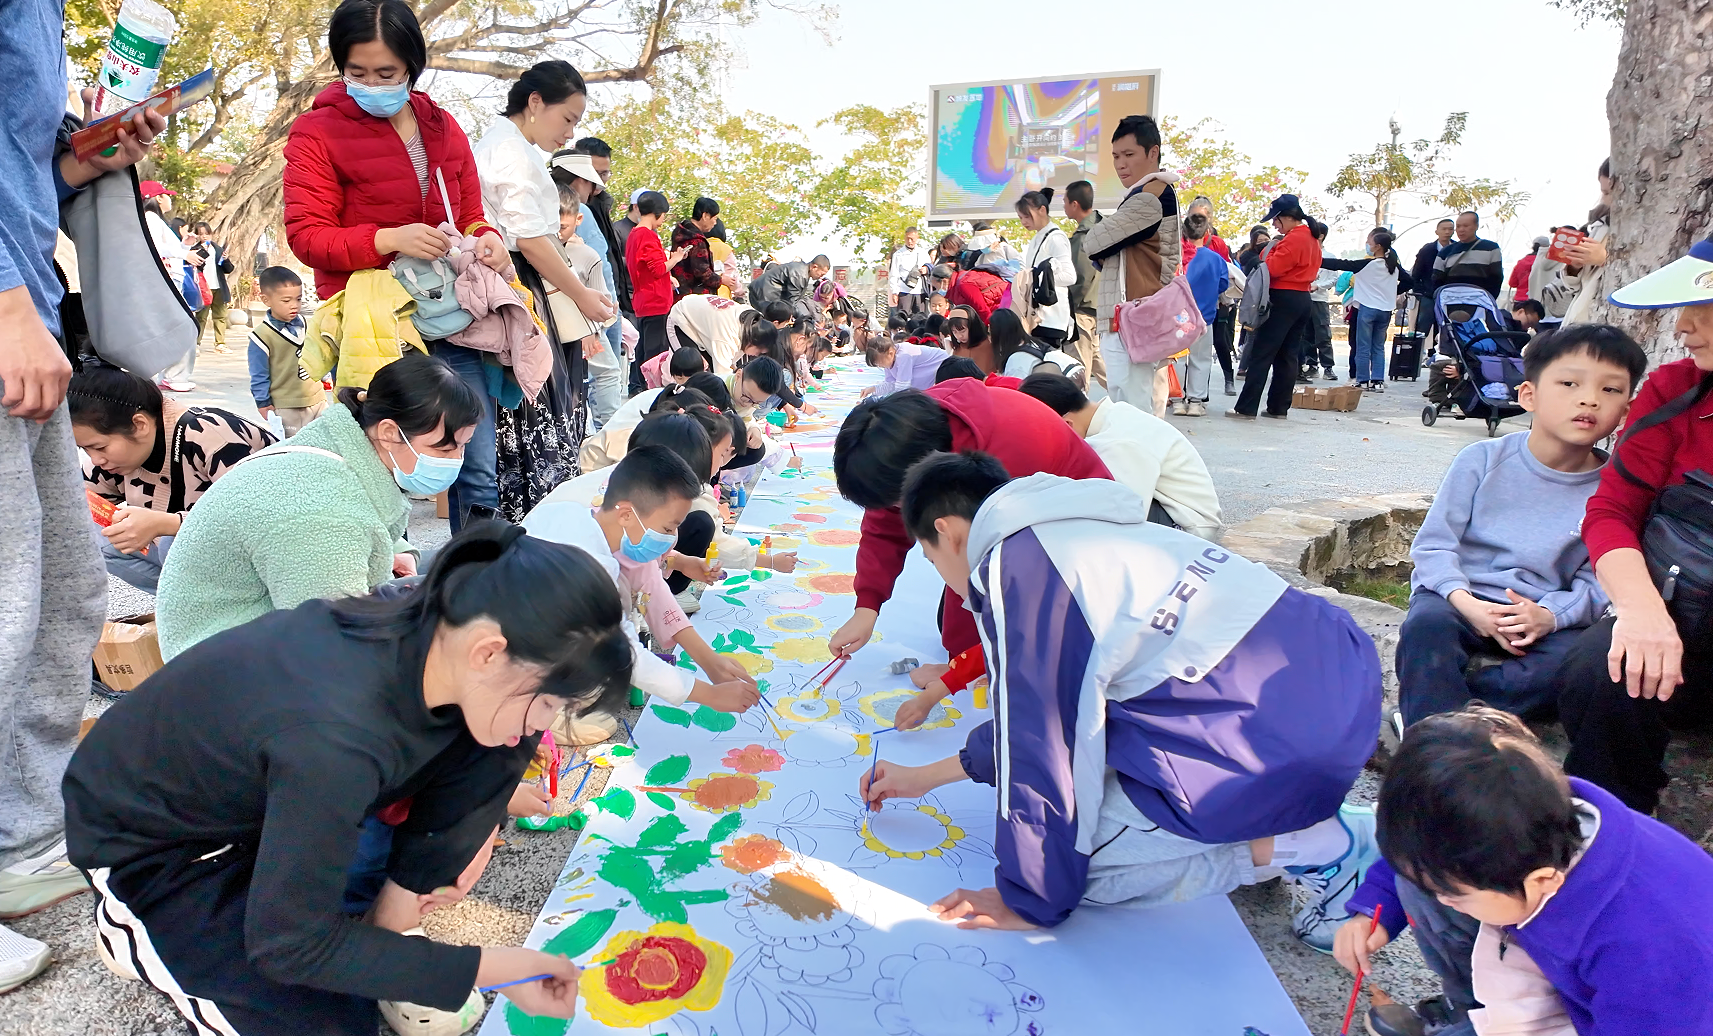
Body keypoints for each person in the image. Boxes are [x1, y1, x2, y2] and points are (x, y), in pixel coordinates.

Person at [66, 523, 631, 1033]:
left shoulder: (454, 623)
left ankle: (371, 931)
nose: (541, 726)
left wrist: (404, 908)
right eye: (549, 702)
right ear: (490, 653)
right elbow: (288, 945)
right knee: (323, 1020)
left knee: (490, 740)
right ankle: (133, 924)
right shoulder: (335, 738)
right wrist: (493, 967)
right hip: (164, 844)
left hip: (268, 795)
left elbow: (487, 767)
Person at [864, 453, 1381, 947]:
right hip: (1335, 685)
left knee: (1079, 869)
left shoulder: (1018, 569)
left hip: (1275, 745)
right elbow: (1058, 720)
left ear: (948, 532)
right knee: (1091, 768)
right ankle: (1287, 818)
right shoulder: (1072, 524)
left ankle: (1323, 844)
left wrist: (1029, 899)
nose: (951, 590)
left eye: (931, 560)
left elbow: (1041, 747)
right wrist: (922, 778)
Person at [1, 11, 164, 987]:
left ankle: (25, 830)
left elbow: (20, 171)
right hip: (11, 314)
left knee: (62, 597)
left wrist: (87, 163)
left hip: (32, 309)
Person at [1333, 706, 1713, 1036]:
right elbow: (1421, 848)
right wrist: (1373, 909)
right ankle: (1470, 1006)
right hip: (1562, 957)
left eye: (1454, 895)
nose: (1442, 901)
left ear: (1542, 881)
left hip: (1632, 1015)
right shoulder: (1522, 817)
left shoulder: (1648, 959)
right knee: (1427, 882)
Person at [283, 0, 510, 532]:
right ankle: (383, 585)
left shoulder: (442, 126)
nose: (372, 84)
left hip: (456, 318)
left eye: (386, 72)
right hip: (381, 327)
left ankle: (475, 584)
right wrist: (386, 238)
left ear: (412, 65)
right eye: (356, 72)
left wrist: (488, 240)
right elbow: (307, 236)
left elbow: (472, 214)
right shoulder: (317, 132)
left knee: (474, 464)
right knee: (381, 469)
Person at [1396, 326, 1645, 733]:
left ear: (1626, 411)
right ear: (1528, 395)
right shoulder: (1481, 459)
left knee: (1576, 665)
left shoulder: (1615, 491)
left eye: (1611, 390)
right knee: (1426, 629)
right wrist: (1467, 603)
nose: (1589, 399)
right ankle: (1434, 754)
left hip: (1543, 613)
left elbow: (1599, 577)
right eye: (1569, 383)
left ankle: (1445, 719)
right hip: (1462, 596)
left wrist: (1550, 616)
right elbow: (1436, 546)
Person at [155, 353, 482, 659]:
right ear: (389, 432)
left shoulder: (338, 450)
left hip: (244, 630)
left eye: (463, 448)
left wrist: (394, 552)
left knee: (446, 567)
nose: (456, 461)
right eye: (444, 449)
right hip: (227, 669)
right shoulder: (321, 513)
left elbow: (364, 515)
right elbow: (334, 647)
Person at [1553, 236, 1713, 814]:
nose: (1685, 327)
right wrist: (1643, 614)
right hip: (1682, 621)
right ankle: (1613, 832)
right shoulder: (1675, 392)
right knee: (1601, 673)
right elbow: (1612, 511)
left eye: (1703, 306)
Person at [825, 380, 1111, 667]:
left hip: (1080, 536)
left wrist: (961, 669)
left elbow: (987, 572)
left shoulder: (997, 464)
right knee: (953, 624)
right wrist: (867, 605)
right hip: (1014, 523)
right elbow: (884, 526)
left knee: (990, 634)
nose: (898, 514)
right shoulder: (905, 440)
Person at [474, 60, 614, 522]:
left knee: (542, 409)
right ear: (535, 103)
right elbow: (532, 240)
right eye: (568, 119)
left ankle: (539, 522)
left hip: (519, 282)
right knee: (533, 409)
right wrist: (581, 295)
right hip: (514, 282)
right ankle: (536, 527)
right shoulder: (510, 151)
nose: (570, 134)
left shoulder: (516, 147)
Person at [523, 444, 763, 713]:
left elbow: (654, 589)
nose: (672, 538)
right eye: (667, 528)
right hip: (519, 661)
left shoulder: (575, 514)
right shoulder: (591, 569)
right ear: (626, 514)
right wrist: (710, 695)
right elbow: (628, 655)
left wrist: (710, 661)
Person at [72, 362, 277, 594]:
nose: (96, 459)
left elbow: (262, 516)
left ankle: (235, 608)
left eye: (99, 447)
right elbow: (81, 503)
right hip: (198, 562)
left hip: (270, 557)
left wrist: (166, 524)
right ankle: (185, 603)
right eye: (86, 450)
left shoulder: (211, 435)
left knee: (174, 543)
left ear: (139, 424)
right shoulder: (111, 460)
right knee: (93, 533)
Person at [1018, 371, 1221, 538]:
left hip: (1189, 528)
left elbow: (1124, 512)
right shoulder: (1115, 415)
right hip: (1172, 512)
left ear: (1066, 425)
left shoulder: (1115, 442)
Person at [1084, 115, 1181, 409]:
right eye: (1115, 156)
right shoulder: (1144, 195)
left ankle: (1140, 456)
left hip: (1133, 316)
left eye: (1129, 154)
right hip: (1133, 315)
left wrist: (1102, 244)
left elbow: (1093, 242)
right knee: (1133, 402)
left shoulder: (1149, 197)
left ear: (1153, 153)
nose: (1120, 164)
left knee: (1132, 408)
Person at [553, 148, 627, 425]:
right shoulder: (577, 210)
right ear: (579, 180)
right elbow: (599, 268)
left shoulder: (541, 203)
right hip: (585, 311)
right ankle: (609, 432)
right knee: (607, 372)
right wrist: (602, 319)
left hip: (563, 310)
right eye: (592, 179)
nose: (594, 187)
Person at [1230, 196, 1321, 420]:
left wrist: (1258, 259)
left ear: (1288, 217)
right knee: (1288, 356)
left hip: (1282, 298)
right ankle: (1278, 408)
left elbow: (1272, 269)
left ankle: (1246, 407)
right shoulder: (1311, 238)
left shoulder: (1293, 240)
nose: (1274, 225)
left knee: (1262, 353)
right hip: (1302, 298)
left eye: (1277, 220)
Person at [1321, 229, 1412, 391]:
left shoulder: (1366, 265)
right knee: (1378, 346)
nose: (1368, 246)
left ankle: (1362, 380)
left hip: (1367, 309)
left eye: (1370, 244)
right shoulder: (1393, 267)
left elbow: (1340, 264)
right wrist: (1391, 293)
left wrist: (1316, 260)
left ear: (1377, 247)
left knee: (1362, 346)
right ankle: (1377, 380)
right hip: (1385, 311)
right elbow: (1409, 281)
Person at [247, 266, 326, 436]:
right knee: (295, 452)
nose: (294, 306)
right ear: (266, 300)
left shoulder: (306, 323)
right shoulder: (260, 337)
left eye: (298, 299)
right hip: (286, 406)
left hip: (318, 400)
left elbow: (316, 353)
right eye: (286, 301)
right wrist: (262, 402)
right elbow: (259, 374)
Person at [1539, 159, 1614, 326]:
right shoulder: (1599, 226)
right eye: (1603, 192)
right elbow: (1576, 287)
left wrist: (1606, 260)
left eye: (1608, 193)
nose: (1603, 200)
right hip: (1583, 316)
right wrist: (1575, 267)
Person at [626, 190, 687, 393]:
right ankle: (652, 390)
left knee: (642, 348)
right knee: (654, 351)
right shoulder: (648, 236)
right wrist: (676, 259)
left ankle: (638, 386)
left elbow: (645, 268)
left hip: (642, 299)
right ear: (658, 213)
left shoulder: (634, 234)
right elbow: (658, 268)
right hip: (656, 301)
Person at [142, 184, 198, 392]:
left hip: (171, 279)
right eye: (167, 196)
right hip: (167, 279)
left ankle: (171, 374)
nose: (170, 200)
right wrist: (184, 254)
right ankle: (174, 376)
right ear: (158, 198)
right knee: (184, 326)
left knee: (177, 326)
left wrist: (184, 246)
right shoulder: (151, 218)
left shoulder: (155, 221)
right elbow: (154, 247)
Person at [1175, 213, 1229, 416]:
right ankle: (1196, 402)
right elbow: (1223, 284)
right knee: (1201, 358)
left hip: (1179, 316)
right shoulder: (1215, 259)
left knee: (1178, 357)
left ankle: (1177, 399)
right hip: (1204, 316)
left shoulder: (1177, 257)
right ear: (1207, 233)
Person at [1015, 187, 1075, 348]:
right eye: (1021, 218)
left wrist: (1038, 277)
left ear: (1042, 210)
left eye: (1027, 216)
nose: (1023, 222)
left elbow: (1070, 276)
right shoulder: (1037, 237)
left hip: (1051, 316)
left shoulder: (1055, 238)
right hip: (1038, 315)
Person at [1063, 178, 1107, 388]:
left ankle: (1081, 412)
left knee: (1079, 367)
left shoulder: (1084, 236)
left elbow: (1080, 277)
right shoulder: (1104, 226)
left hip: (1082, 309)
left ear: (1074, 204)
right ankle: (1135, 401)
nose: (1063, 206)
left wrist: (1068, 308)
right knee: (1097, 359)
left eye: (1065, 201)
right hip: (1100, 305)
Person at [188, 221, 236, 353]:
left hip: (218, 287)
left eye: (207, 233)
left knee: (220, 316)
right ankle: (196, 344)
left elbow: (228, 269)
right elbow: (193, 268)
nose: (204, 236)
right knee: (201, 317)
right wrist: (202, 252)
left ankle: (220, 344)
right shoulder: (194, 250)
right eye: (201, 234)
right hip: (203, 287)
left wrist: (225, 259)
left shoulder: (218, 249)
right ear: (197, 235)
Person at [1432, 211, 1504, 298]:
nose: (1461, 229)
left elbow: (1496, 278)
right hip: (1450, 301)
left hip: (1480, 301)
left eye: (1466, 226)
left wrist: (1488, 300)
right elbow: (1437, 279)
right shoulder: (1445, 251)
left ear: (1476, 226)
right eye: (1458, 226)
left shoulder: (1491, 248)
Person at [862, 334, 950, 398]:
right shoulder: (889, 357)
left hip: (946, 366)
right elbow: (891, 384)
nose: (881, 366)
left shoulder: (904, 355)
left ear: (890, 353)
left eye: (880, 362)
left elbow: (902, 387)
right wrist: (873, 389)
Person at [670, 196, 724, 298]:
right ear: (705, 216)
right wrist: (721, 280)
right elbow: (702, 272)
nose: (715, 223)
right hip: (696, 298)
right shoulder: (697, 240)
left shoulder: (681, 233)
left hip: (680, 294)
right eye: (715, 218)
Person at [749, 254, 829, 321]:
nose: (820, 277)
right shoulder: (799, 274)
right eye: (821, 274)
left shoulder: (801, 270)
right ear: (814, 267)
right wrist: (807, 320)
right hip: (762, 295)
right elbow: (793, 302)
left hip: (763, 293)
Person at [1411, 218, 1454, 337]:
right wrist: (1420, 292)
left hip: (1449, 295)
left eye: (1450, 229)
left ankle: (1438, 353)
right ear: (1437, 231)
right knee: (1422, 327)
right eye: (1444, 229)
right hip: (1428, 295)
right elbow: (1416, 273)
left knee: (1446, 328)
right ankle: (1417, 353)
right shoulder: (1427, 250)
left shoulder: (1457, 249)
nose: (1447, 232)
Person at [888, 226, 932, 317]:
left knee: (920, 317)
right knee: (902, 317)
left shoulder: (923, 253)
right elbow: (893, 274)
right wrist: (894, 292)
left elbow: (931, 267)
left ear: (917, 238)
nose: (910, 241)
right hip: (904, 290)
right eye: (908, 239)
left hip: (920, 291)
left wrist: (926, 269)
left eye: (912, 239)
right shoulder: (898, 254)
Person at [1509, 235, 1548, 304]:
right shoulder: (1547, 264)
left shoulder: (1521, 263)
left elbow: (1512, 283)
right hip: (1539, 301)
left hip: (1520, 300)